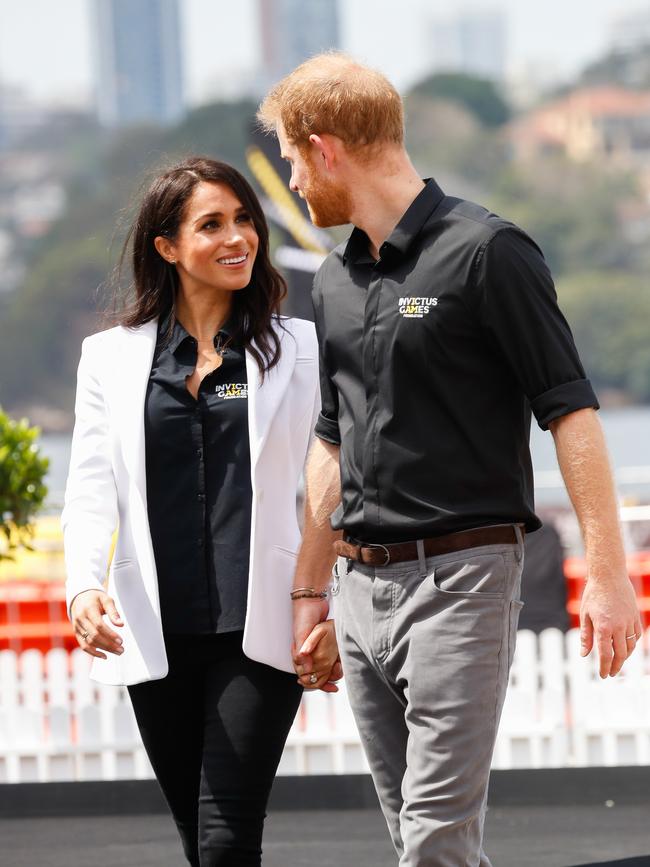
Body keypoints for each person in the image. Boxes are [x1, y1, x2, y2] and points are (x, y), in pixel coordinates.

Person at [258, 54, 642, 867]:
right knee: (423, 838)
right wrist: (310, 595)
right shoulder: (329, 280)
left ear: (326, 149)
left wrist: (610, 573)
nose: (291, 180)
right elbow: (331, 440)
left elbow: (569, 410)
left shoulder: (489, 252)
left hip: (463, 579)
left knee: (432, 839)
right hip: (359, 591)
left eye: (293, 158)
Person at [62, 157, 340, 867]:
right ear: (166, 246)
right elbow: (92, 483)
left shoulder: (301, 348)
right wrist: (83, 583)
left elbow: (336, 481)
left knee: (225, 835)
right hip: (154, 628)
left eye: (244, 219)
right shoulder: (109, 359)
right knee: (199, 838)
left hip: (263, 622)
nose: (238, 237)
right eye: (211, 224)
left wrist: (333, 601)